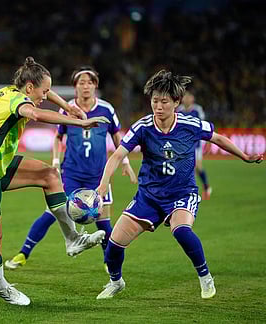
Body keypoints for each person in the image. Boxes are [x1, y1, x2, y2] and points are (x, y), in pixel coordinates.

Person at [95, 70, 263, 300]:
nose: (158, 106)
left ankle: (205, 277)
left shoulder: (190, 124)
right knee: (114, 245)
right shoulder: (142, 127)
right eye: (155, 100)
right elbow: (116, 156)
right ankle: (116, 282)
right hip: (149, 196)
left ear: (176, 102)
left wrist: (244, 156)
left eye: (164, 101)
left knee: (181, 230)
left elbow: (219, 138)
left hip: (182, 194)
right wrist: (103, 185)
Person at [0, 57, 109, 306]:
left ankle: (72, 239)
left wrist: (67, 107)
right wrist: (78, 121)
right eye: (44, 91)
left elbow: (45, 96)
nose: (46, 95)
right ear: (29, 88)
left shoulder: (9, 90)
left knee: (49, 175)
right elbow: (36, 112)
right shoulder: (19, 102)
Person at [5, 66, 137, 271]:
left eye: (90, 82)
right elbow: (58, 137)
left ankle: (109, 264)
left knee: (103, 222)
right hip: (71, 174)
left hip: (98, 175)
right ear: (75, 87)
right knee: (50, 213)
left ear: (95, 86)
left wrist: (126, 163)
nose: (86, 86)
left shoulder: (106, 109)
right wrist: (56, 162)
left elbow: (117, 135)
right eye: (81, 82)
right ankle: (23, 253)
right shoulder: (67, 110)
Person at [177, 89, 212, 200]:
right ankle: (187, 190)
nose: (186, 99)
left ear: (192, 98)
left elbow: (203, 125)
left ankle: (206, 186)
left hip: (195, 144)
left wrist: (207, 141)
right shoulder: (179, 110)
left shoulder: (197, 110)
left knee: (197, 166)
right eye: (185, 97)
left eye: (188, 97)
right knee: (183, 167)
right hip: (182, 145)